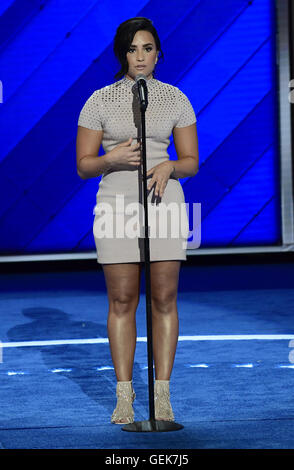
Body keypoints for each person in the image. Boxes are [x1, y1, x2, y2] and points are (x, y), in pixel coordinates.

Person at [76, 17, 199, 425]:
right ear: (121, 54)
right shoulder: (100, 100)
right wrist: (110, 160)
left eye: (147, 48)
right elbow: (83, 165)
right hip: (116, 205)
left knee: (164, 298)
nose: (140, 57)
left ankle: (162, 396)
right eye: (132, 49)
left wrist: (170, 169)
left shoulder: (176, 98)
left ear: (158, 53)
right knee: (123, 300)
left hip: (164, 203)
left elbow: (191, 162)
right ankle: (125, 395)